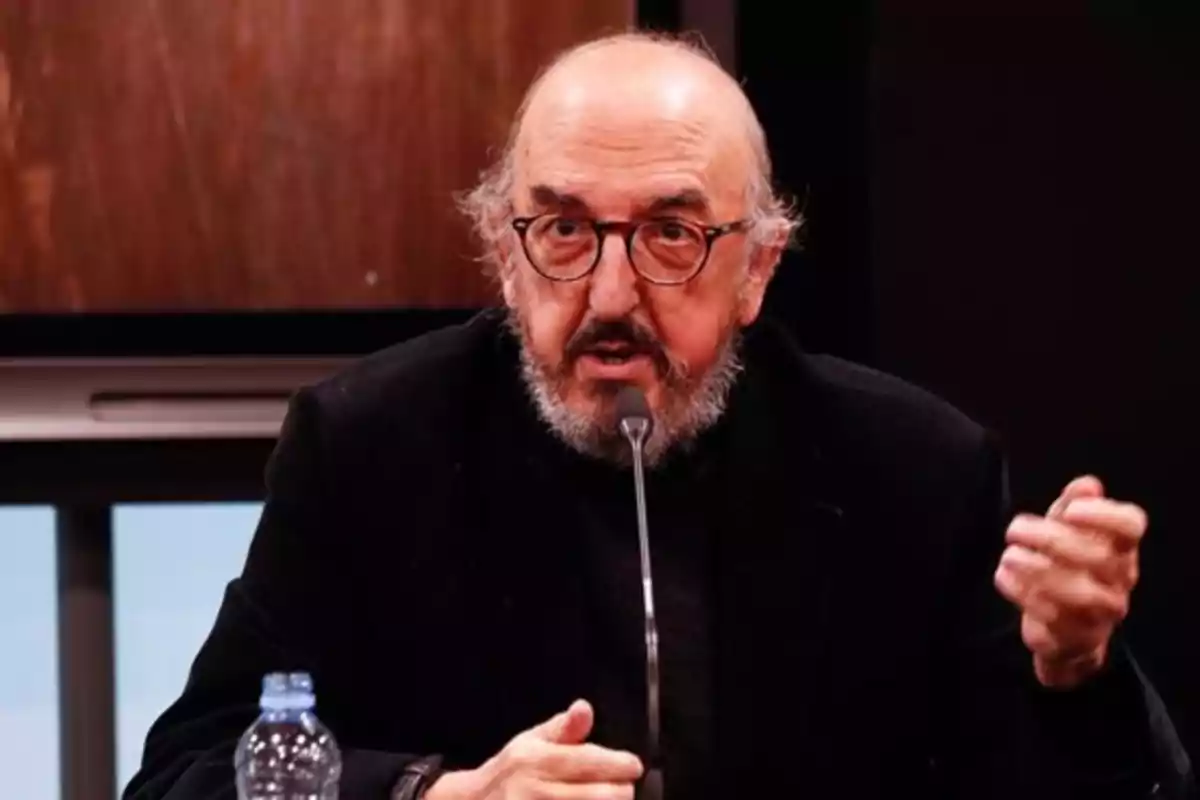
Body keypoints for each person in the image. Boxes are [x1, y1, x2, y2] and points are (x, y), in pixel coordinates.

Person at [124, 32, 1193, 800]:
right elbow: (192, 771)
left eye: (672, 236)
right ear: (506, 251)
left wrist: (1073, 672)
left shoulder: (911, 469)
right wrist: (436, 795)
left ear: (757, 269)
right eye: (564, 232)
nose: (610, 295)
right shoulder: (367, 445)